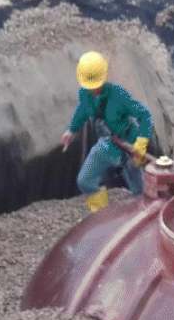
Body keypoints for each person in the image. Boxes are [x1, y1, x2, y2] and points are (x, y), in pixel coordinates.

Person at [62, 51, 153, 212]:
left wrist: (142, 141)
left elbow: (145, 115)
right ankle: (101, 215)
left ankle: (143, 223)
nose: (92, 89)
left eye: (94, 84)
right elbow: (82, 111)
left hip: (127, 148)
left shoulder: (118, 95)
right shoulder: (85, 94)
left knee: (141, 195)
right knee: (85, 181)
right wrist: (71, 130)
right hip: (106, 145)